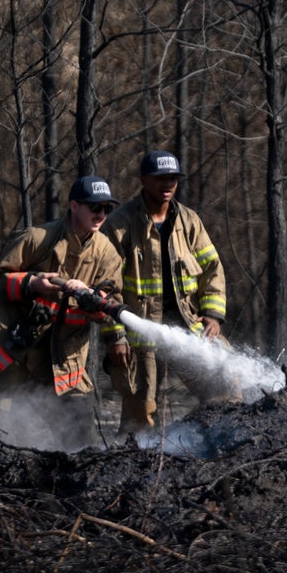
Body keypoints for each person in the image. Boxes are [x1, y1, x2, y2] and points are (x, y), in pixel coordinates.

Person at [0, 175, 124, 449]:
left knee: (79, 443)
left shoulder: (108, 255)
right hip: (8, 358)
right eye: (95, 207)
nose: (101, 214)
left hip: (62, 365)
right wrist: (31, 283)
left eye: (107, 209)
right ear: (74, 205)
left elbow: (111, 304)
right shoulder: (36, 239)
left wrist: (94, 300)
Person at [102, 150, 238, 434]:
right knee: (141, 412)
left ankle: (217, 447)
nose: (167, 184)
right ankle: (135, 464)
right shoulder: (120, 225)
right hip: (140, 330)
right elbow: (106, 287)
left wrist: (213, 314)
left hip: (186, 322)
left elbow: (212, 268)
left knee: (225, 384)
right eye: (160, 178)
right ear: (143, 180)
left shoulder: (189, 221)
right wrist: (117, 335)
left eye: (173, 179)